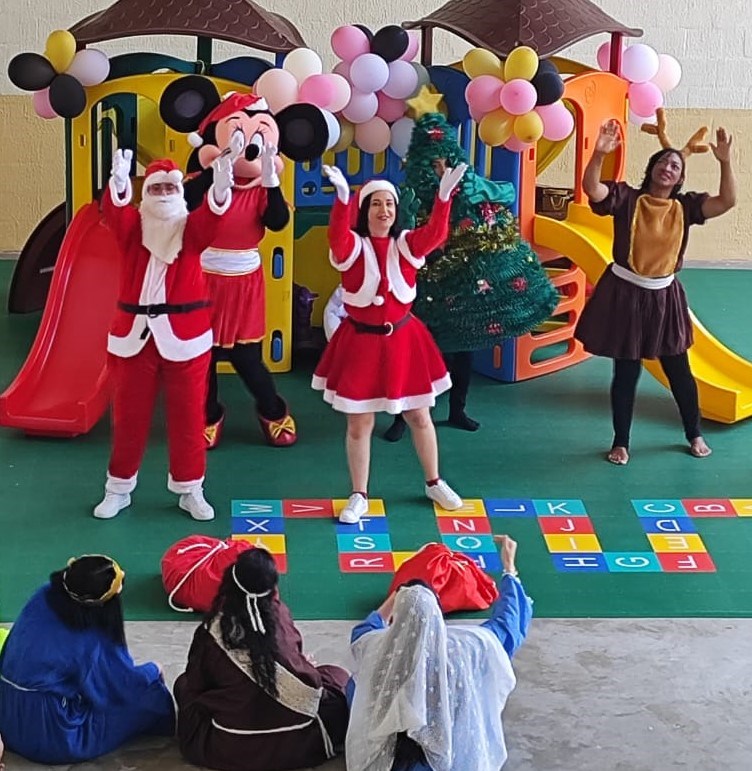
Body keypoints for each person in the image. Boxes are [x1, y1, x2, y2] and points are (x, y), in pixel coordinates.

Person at [385, 113, 559, 442]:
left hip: (464, 285)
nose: (440, 169)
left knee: (462, 351)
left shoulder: (470, 186)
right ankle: (401, 418)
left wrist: (468, 190)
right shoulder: (412, 197)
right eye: (433, 163)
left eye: (445, 161)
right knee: (413, 355)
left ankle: (457, 410)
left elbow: (505, 194)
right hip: (423, 286)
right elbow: (398, 235)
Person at [575, 117, 737, 465]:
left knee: (679, 371)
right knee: (626, 372)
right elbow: (593, 189)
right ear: (651, 169)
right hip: (625, 296)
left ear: (680, 179)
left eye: (675, 166)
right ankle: (621, 442)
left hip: (665, 298)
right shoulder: (626, 198)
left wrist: (725, 162)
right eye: (663, 162)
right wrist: (599, 154)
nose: (668, 167)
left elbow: (727, 201)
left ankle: (693, 433)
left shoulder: (686, 207)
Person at [312, 164, 468, 524]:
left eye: (389, 204)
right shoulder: (351, 247)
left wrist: (443, 198)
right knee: (359, 424)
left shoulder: (407, 244)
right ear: (364, 211)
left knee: (419, 416)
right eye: (375, 204)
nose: (384, 210)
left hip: (404, 341)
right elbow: (337, 237)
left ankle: (434, 482)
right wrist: (342, 200)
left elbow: (436, 233)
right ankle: (359, 494)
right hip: (361, 344)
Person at [93, 149, 234, 520]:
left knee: (189, 418)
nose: (164, 194)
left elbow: (211, 222)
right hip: (133, 339)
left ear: (180, 193)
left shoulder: (190, 230)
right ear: (146, 194)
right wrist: (118, 184)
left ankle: (191, 489)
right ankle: (118, 488)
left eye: (170, 188)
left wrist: (220, 189)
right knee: (128, 417)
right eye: (156, 189)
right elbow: (116, 213)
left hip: (186, 340)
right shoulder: (133, 229)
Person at [346, 535, 532, 771]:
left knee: (352, 683)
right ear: (437, 615)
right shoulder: (466, 648)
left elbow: (366, 627)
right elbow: (509, 624)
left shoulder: (374, 646)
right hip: (443, 760)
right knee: (478, 682)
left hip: (391, 761)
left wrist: (404, 592)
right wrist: (509, 570)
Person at [182, 93, 299, 450]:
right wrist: (218, 168)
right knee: (203, 355)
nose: (248, 147)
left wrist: (271, 183)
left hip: (244, 283)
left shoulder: (262, 189)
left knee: (247, 358)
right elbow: (185, 202)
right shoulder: (199, 179)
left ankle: (273, 410)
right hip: (202, 278)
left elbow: (277, 222)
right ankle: (207, 416)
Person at [174, 548, 349, 771]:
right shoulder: (280, 616)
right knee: (337, 676)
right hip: (300, 744)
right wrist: (303, 666)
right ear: (273, 588)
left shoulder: (210, 632)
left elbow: (197, 684)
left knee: (183, 684)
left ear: (229, 582)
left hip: (227, 747)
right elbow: (305, 676)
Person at [0, 555, 174, 764]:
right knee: (152, 696)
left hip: (6, 714)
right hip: (50, 734)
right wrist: (153, 669)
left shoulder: (42, 595)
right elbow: (119, 684)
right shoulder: (90, 636)